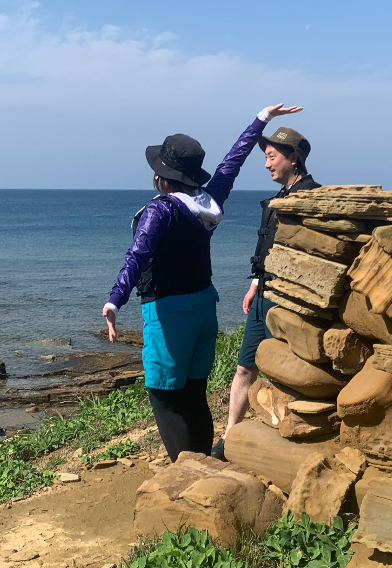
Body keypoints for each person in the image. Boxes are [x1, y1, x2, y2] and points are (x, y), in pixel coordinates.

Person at [103, 103, 302, 462]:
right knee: (194, 393)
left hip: (169, 312)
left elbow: (138, 255)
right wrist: (261, 119)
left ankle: (189, 471)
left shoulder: (161, 209)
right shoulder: (208, 201)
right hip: (204, 307)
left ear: (162, 175)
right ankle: (205, 464)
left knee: (165, 396)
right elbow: (232, 162)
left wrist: (115, 300)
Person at [212, 122, 318, 458]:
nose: (267, 163)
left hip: (286, 300)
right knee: (245, 367)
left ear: (293, 158)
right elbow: (269, 249)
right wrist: (254, 285)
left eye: (272, 156)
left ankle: (285, 436)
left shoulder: (313, 198)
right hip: (262, 295)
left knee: (284, 371)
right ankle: (230, 437)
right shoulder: (279, 198)